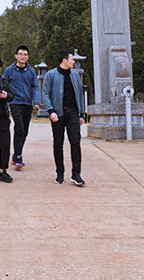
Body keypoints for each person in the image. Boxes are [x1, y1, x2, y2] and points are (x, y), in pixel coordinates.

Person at [41, 49, 86, 186]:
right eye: (72, 59)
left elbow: (79, 95)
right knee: (58, 144)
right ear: (64, 60)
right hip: (57, 114)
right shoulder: (51, 75)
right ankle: (60, 173)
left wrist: (81, 114)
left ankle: (76, 174)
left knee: (75, 142)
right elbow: (45, 93)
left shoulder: (75, 75)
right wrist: (50, 110)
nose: (74, 61)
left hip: (73, 113)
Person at [5, 45, 41, 169]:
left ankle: (16, 154)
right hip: (15, 103)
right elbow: (4, 84)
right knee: (19, 126)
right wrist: (7, 98)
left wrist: (37, 101)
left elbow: (35, 86)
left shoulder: (31, 71)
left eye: (25, 54)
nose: (22, 56)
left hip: (27, 104)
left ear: (28, 57)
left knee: (24, 130)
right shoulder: (10, 70)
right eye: (20, 54)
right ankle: (18, 155)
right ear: (16, 56)